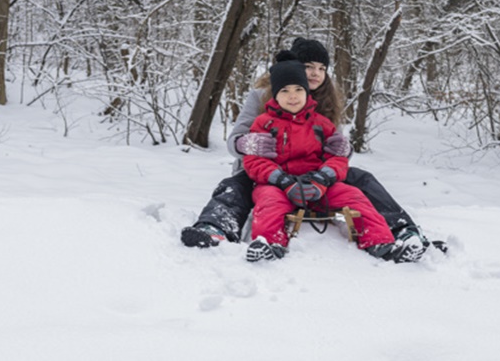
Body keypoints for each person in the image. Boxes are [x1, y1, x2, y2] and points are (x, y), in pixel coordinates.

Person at [181, 37, 429, 258]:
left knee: (362, 180)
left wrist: (340, 155)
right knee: (235, 186)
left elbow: (337, 150)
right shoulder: (260, 96)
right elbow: (234, 141)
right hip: (267, 172)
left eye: (322, 68)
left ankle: (403, 230)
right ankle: (215, 227)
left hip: (315, 176)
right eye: (309, 66)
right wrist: (247, 143)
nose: (315, 73)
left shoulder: (326, 103)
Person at [242, 53, 421, 262]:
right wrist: (280, 180)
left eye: (299, 89)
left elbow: (338, 157)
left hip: (319, 185)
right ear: (275, 95)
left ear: (307, 92)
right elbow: (254, 161)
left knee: (355, 196)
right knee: (269, 203)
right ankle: (269, 244)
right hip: (278, 184)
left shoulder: (322, 123)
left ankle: (381, 243)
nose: (293, 96)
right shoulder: (264, 123)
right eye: (285, 91)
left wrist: (324, 178)